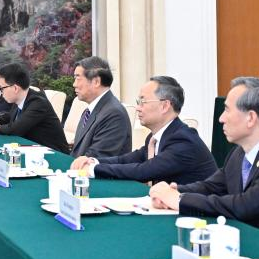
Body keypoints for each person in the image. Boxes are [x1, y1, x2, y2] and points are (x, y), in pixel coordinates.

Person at [150, 77, 259, 232]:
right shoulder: (238, 153)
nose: (221, 118)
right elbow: (211, 186)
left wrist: (180, 200)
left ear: (251, 118)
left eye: (227, 110)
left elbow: (245, 205)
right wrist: (175, 191)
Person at [71, 76, 215, 184]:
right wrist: (93, 161)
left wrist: (93, 170)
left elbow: (143, 171)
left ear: (165, 106)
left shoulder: (183, 141)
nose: (138, 108)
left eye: (143, 102)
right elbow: (127, 159)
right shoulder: (155, 138)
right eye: (138, 102)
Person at [0, 63, 69, 152]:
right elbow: (4, 118)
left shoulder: (38, 102)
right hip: (33, 151)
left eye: (2, 88)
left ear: (15, 88)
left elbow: (16, 128)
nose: (1, 92)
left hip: (54, 154)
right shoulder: (19, 100)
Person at [69, 56, 132, 158]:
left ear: (96, 82)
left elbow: (95, 158)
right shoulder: (89, 111)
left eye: (78, 78)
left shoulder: (114, 114)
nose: (74, 84)